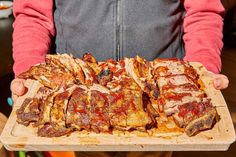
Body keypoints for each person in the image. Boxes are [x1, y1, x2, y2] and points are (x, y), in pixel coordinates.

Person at [10, 0, 229, 157]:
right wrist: (30, 73)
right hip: (76, 97)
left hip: (159, 96)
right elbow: (33, 15)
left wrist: (202, 67)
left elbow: (203, 11)